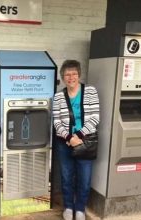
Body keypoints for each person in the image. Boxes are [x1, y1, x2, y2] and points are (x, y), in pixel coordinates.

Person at [53, 60, 100, 220]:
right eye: (67, 74)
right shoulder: (59, 96)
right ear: (63, 77)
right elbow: (56, 121)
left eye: (74, 73)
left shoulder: (90, 91)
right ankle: (68, 207)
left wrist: (78, 136)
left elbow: (95, 118)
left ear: (79, 74)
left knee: (84, 178)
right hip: (64, 143)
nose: (71, 77)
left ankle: (80, 208)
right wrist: (68, 137)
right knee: (66, 177)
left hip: (85, 142)